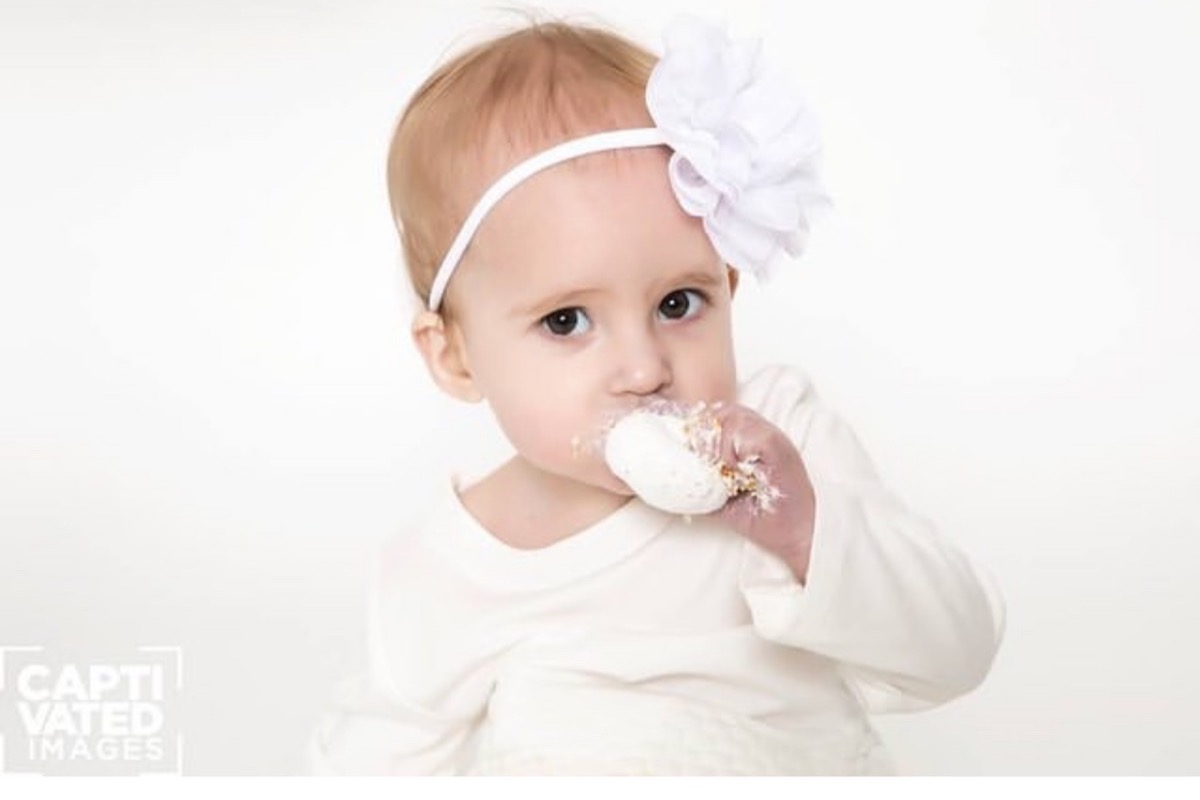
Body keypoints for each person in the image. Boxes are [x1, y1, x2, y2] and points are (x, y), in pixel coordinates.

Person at [305, 12, 1004, 775]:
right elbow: (367, 766)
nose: (643, 369)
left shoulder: (784, 439)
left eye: (678, 303)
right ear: (457, 358)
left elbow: (959, 650)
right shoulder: (444, 573)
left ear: (728, 285)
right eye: (567, 321)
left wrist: (807, 534)